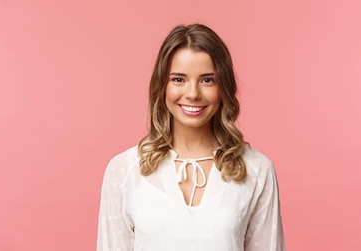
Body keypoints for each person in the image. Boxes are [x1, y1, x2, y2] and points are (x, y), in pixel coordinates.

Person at [96, 24, 285, 251]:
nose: (193, 93)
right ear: (162, 86)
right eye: (178, 79)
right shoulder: (124, 171)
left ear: (223, 86)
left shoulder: (256, 170)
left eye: (207, 80)